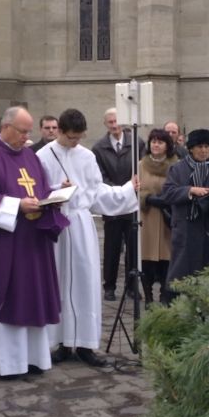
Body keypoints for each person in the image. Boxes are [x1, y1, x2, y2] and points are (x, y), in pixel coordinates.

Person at [0, 106, 69, 378]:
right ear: (6, 127)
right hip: (3, 246)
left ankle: (34, 359)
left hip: (33, 245)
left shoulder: (31, 158)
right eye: (22, 131)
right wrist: (16, 205)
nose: (26, 137)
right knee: (9, 298)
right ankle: (7, 364)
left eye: (29, 131)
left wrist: (55, 195)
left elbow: (39, 191)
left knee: (33, 298)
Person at [37, 109, 139, 366]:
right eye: (71, 138)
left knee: (86, 281)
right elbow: (35, 191)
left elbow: (96, 191)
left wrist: (127, 191)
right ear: (59, 131)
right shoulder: (42, 156)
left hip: (81, 224)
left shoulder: (86, 156)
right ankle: (60, 342)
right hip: (56, 225)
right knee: (58, 282)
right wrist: (55, 191)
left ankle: (85, 343)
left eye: (79, 138)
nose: (75, 143)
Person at [162, 129, 209, 289]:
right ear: (191, 148)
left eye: (207, 146)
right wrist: (190, 191)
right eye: (200, 146)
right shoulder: (178, 169)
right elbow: (168, 193)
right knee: (183, 272)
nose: (204, 150)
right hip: (186, 228)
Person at [92, 108, 145, 301]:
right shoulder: (99, 148)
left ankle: (131, 286)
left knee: (133, 247)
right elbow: (100, 177)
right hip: (112, 204)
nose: (114, 126)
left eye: (117, 121)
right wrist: (118, 192)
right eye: (110, 122)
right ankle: (110, 286)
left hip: (132, 204)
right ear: (105, 124)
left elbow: (141, 167)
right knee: (112, 248)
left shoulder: (136, 142)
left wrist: (132, 188)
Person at [138, 129, 178, 306]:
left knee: (166, 259)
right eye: (153, 141)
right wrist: (147, 198)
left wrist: (167, 200)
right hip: (147, 217)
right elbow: (133, 190)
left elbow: (179, 188)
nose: (155, 144)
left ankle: (164, 295)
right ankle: (147, 297)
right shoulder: (140, 165)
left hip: (167, 216)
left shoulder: (176, 166)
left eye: (160, 142)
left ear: (167, 146)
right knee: (146, 259)